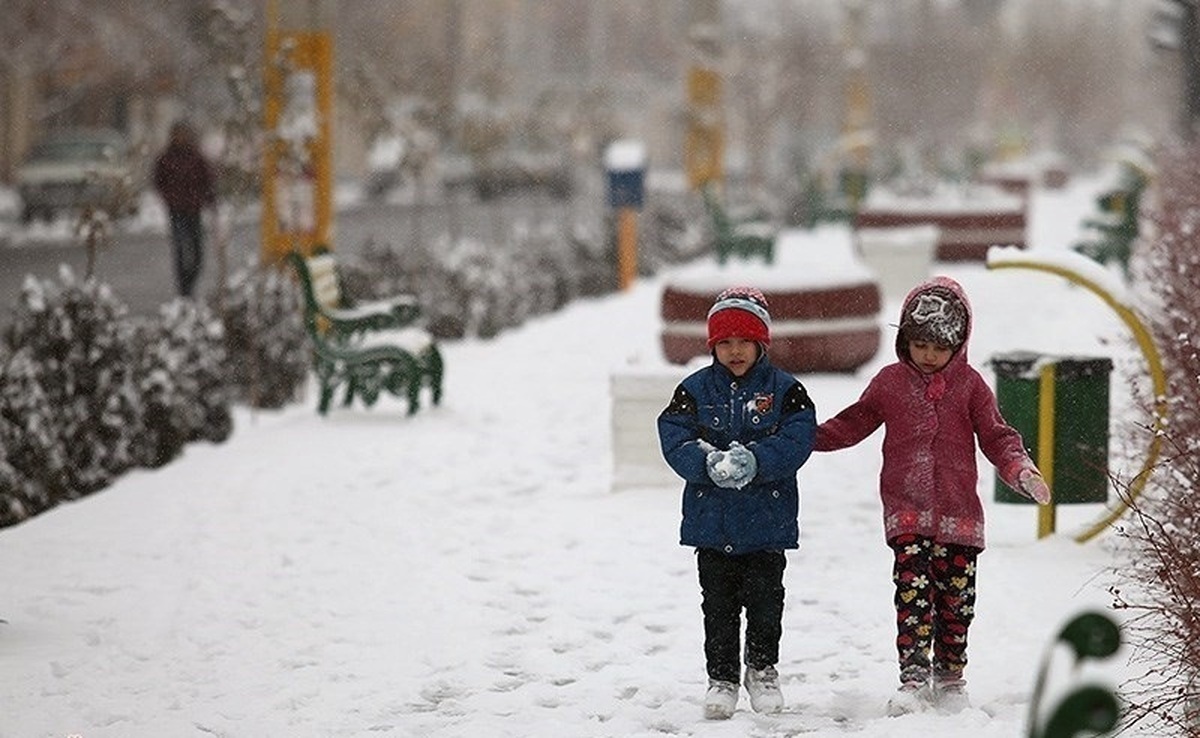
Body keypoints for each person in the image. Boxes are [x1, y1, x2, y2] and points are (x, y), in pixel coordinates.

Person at [813, 275, 1051, 716]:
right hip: (906, 513)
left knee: (956, 602)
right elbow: (853, 423)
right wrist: (805, 438)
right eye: (919, 344)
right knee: (912, 595)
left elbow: (998, 438)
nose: (928, 355)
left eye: (939, 348)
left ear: (958, 346)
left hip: (960, 517)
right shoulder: (888, 383)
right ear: (905, 339)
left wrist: (1021, 469)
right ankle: (914, 676)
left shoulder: (972, 386)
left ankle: (951, 674)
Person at [657, 286, 818, 720]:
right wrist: (705, 462)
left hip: (768, 526)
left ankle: (763, 670)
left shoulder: (786, 391)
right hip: (714, 526)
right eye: (723, 343)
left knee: (767, 605)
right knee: (719, 607)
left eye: (743, 341)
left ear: (761, 342)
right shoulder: (693, 390)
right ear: (712, 346)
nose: (734, 351)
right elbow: (673, 436)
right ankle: (722, 677)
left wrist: (758, 460)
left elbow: (799, 437)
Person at [154, 121, 216, 298]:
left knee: (197, 254)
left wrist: (208, 200)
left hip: (194, 210)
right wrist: (170, 198)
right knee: (181, 249)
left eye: (184, 134)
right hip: (176, 211)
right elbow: (159, 181)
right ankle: (184, 291)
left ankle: (190, 284)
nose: (181, 138)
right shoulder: (166, 158)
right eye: (178, 134)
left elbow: (208, 180)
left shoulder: (196, 157)